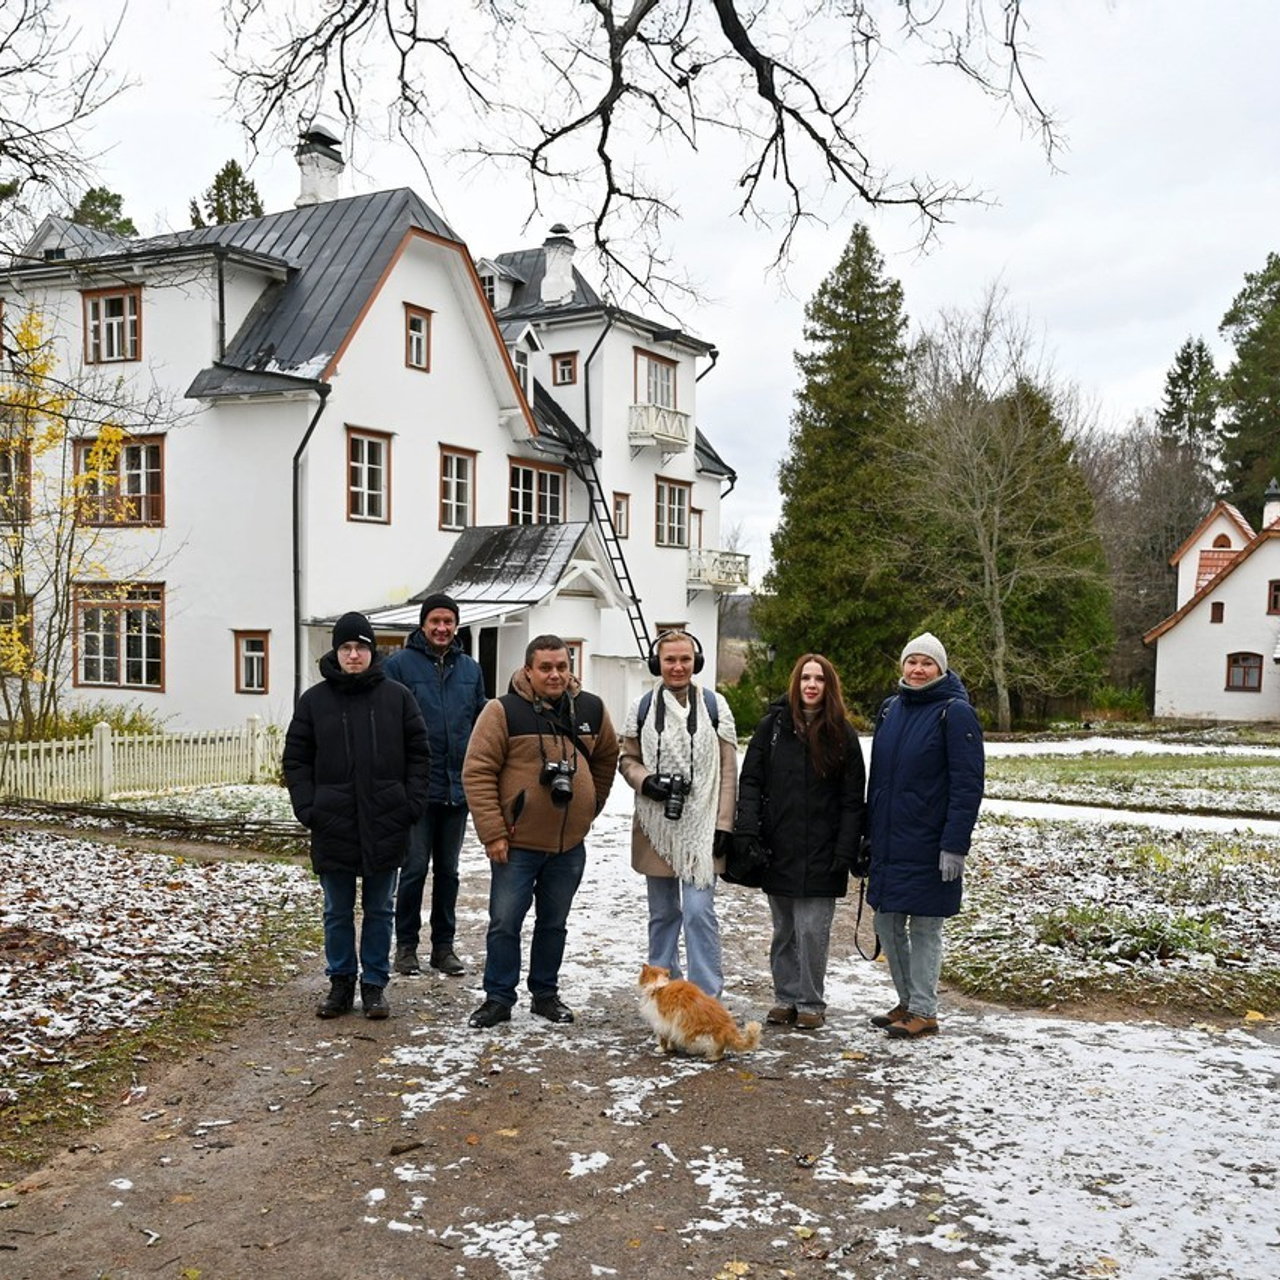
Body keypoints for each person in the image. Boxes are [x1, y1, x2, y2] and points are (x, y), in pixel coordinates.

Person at [462, 634, 619, 1028]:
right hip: (516, 844)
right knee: (504, 923)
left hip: (569, 846)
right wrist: (493, 832)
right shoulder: (502, 711)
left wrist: (590, 806)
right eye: (545, 668)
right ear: (528, 670)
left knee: (554, 924)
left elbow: (607, 758)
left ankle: (545, 994)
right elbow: (477, 772)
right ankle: (498, 998)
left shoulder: (591, 709)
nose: (555, 674)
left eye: (562, 666)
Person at [283, 612, 430, 1021]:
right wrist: (309, 807)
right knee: (337, 910)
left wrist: (409, 803)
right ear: (336, 651)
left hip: (386, 820)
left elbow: (420, 754)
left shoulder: (397, 697)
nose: (353, 655)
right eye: (346, 648)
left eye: (361, 647)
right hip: (333, 822)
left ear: (372, 651)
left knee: (381, 909)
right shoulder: (315, 702)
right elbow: (296, 759)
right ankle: (342, 981)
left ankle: (375, 985)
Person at [734, 653, 865, 1029]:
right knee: (785, 930)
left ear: (829, 687)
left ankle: (811, 1002)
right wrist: (748, 831)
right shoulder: (772, 728)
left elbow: (853, 798)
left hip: (825, 849)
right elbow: (752, 782)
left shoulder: (842, 734)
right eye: (805, 677)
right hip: (780, 847)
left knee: (813, 931)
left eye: (819, 679)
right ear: (796, 683)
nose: (811, 685)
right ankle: (785, 998)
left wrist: (846, 848)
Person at [865, 632, 984, 1039]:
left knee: (926, 927)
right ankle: (906, 1001)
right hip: (889, 841)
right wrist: (869, 834)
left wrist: (955, 844)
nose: (917, 669)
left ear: (941, 668)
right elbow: (878, 781)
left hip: (931, 844)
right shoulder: (890, 710)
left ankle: (924, 1009)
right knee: (886, 921)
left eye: (926, 663)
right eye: (911, 661)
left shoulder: (955, 713)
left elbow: (968, 784)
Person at [619, 630, 737, 997]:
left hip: (703, 827)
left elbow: (729, 771)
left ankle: (704, 996)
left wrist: (724, 824)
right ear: (658, 664)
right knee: (663, 915)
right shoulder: (641, 708)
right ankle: (663, 992)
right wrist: (646, 782)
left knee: (699, 912)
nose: (677, 666)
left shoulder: (716, 707)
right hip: (657, 827)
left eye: (685, 659)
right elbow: (627, 759)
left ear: (695, 662)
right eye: (670, 659)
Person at [385, 592, 487, 978]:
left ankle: (443, 947)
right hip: (416, 788)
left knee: (449, 871)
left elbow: (481, 723)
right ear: (423, 624)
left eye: (448, 622)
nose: (442, 628)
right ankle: (406, 946)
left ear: (456, 625)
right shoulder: (398, 666)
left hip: (456, 789)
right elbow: (390, 726)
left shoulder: (470, 670)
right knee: (413, 869)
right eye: (435, 622)